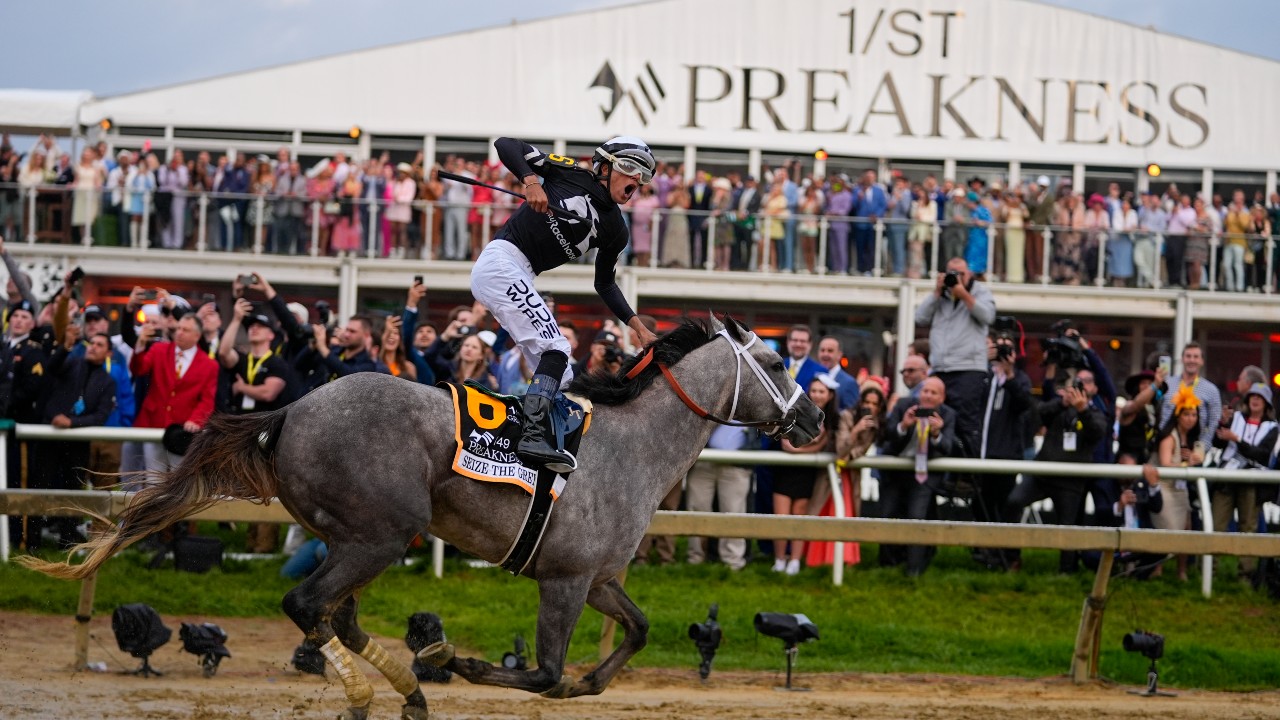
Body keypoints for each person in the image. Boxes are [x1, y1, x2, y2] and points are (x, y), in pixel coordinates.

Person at [469, 136, 658, 473]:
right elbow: (505, 144)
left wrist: (637, 325)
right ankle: (531, 437)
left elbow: (604, 283)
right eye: (630, 168)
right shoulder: (572, 173)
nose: (636, 181)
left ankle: (517, 442)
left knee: (563, 371)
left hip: (520, 273)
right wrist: (531, 182)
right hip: (502, 261)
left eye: (642, 177)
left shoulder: (616, 230)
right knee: (557, 348)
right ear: (604, 166)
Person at [1005, 376, 1106, 574]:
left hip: (1070, 480)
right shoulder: (1059, 406)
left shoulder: (1095, 412)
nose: (1079, 388)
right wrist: (1062, 403)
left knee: (1067, 526)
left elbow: (1097, 432)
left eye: (1085, 383)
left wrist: (1082, 410)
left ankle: (1066, 572)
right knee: (1014, 502)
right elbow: (1038, 414)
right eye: (1075, 384)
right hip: (1042, 474)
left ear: (1093, 389)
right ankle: (1011, 558)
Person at [914, 257, 996, 457]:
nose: (956, 278)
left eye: (961, 273)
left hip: (968, 369)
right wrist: (936, 293)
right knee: (938, 419)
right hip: (941, 369)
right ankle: (943, 472)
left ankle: (967, 476)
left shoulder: (980, 292)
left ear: (969, 274)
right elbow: (920, 318)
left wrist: (964, 295)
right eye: (952, 273)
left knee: (965, 423)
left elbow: (988, 316)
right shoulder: (941, 295)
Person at [879, 376, 957, 576]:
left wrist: (936, 434)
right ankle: (886, 565)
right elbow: (886, 434)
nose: (928, 396)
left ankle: (913, 570)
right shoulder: (905, 405)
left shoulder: (948, 415)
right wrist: (903, 425)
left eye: (933, 393)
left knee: (917, 518)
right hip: (896, 470)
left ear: (942, 398)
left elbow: (947, 447)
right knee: (887, 515)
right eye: (925, 391)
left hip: (924, 475)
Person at [771, 375, 838, 575]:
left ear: (830, 395)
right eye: (814, 390)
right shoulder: (794, 411)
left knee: (800, 516)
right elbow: (786, 444)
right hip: (785, 470)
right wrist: (811, 448)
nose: (817, 395)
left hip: (808, 474)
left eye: (821, 391)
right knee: (780, 518)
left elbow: (825, 443)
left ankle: (795, 561)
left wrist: (804, 448)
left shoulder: (832, 419)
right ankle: (779, 560)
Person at [1211, 382, 1277, 580]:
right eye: (1252, 396)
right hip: (1227, 477)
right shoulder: (1236, 418)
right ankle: (1209, 571)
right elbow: (1218, 443)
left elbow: (1262, 455)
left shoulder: (1272, 428)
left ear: (1267, 404)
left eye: (1260, 397)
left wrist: (1237, 440)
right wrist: (1222, 423)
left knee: (1248, 527)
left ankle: (1245, 575)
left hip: (1252, 480)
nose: (1255, 400)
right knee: (1216, 524)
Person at [1154, 386, 1206, 581]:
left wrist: (1192, 460)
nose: (1191, 418)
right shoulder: (1169, 436)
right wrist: (1186, 463)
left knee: (1186, 527)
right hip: (1165, 488)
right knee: (1164, 529)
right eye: (1187, 414)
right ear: (1178, 415)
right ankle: (1157, 570)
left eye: (1194, 415)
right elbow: (1166, 464)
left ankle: (1181, 572)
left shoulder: (1191, 438)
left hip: (1181, 489)